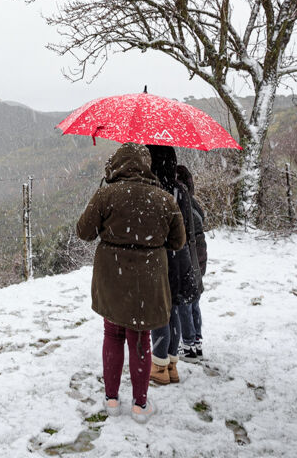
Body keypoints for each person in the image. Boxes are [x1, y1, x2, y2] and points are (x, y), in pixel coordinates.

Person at [77, 143, 186, 423]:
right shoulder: (163, 199)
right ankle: (140, 405)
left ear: (117, 165)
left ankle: (111, 399)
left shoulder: (106, 195)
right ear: (145, 166)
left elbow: (84, 232)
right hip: (147, 282)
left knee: (112, 335)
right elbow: (178, 241)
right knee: (140, 339)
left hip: (112, 279)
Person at [146, 146, 201, 385]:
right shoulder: (180, 191)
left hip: (161, 258)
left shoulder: (152, 192)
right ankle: (172, 365)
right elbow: (189, 228)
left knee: (160, 312)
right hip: (181, 257)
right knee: (174, 309)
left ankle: (159, 368)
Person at [175, 164, 207, 359]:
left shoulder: (181, 202)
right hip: (200, 252)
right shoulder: (193, 202)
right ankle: (196, 340)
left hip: (189, 253)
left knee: (184, 300)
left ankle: (187, 345)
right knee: (194, 298)